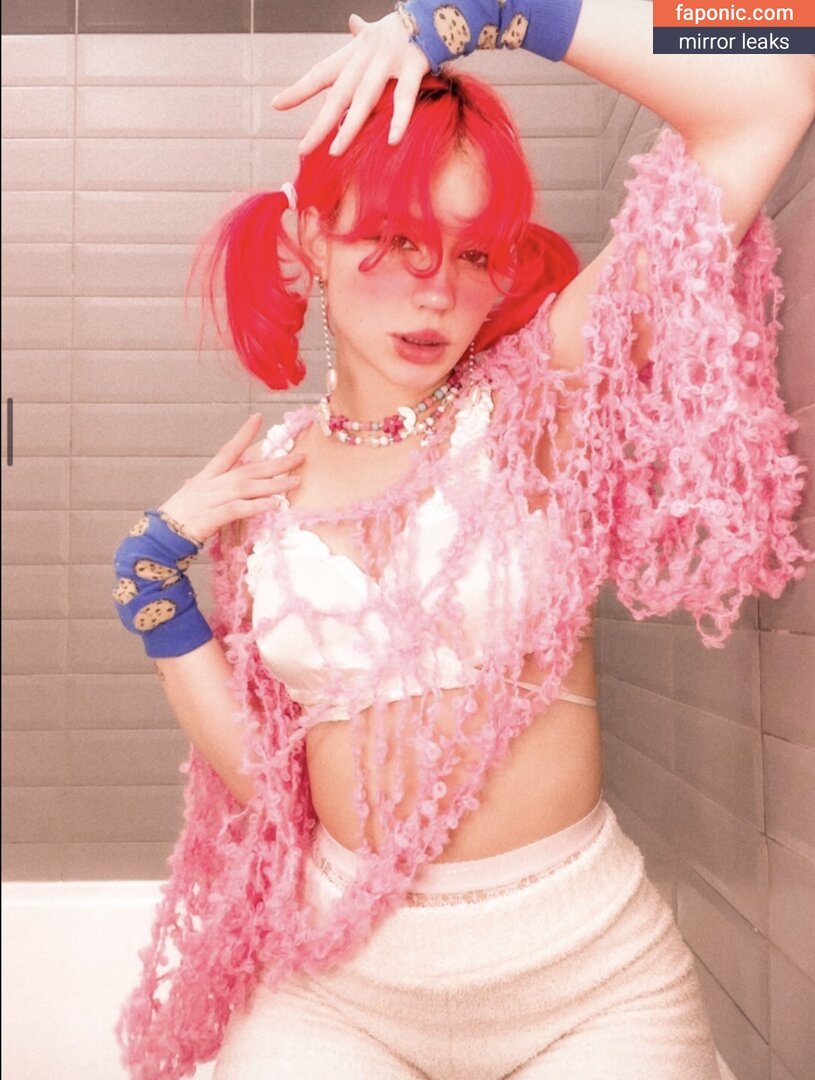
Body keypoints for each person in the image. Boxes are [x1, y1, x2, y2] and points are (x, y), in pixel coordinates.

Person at [112, 2, 815, 1077]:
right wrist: (154, 597)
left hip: (582, 978)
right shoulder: (267, 488)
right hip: (339, 983)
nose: (436, 289)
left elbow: (774, 73)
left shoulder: (542, 399)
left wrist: (501, 13)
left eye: (471, 250)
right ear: (311, 240)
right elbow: (276, 789)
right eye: (394, 240)